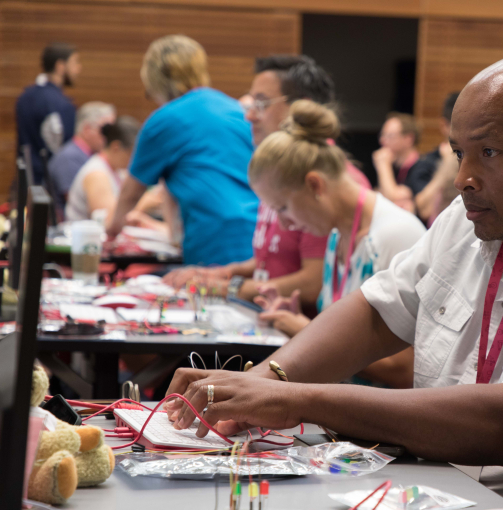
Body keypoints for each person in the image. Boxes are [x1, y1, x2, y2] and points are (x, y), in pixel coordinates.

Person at [164, 55, 503, 510]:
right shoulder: (480, 216)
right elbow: (377, 313)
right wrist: (266, 380)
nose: (463, 177)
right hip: (445, 496)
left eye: (488, 153)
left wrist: (296, 400)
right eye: (458, 153)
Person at [163, 55, 370, 311]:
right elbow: (272, 260)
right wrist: (221, 274)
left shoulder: (325, 181)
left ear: (300, 107)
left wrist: (229, 288)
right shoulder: (279, 171)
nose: (249, 115)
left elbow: (314, 283)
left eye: (261, 103)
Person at [251, 100, 425, 387]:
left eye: (283, 208)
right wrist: (303, 323)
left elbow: (407, 369)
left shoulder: (396, 234)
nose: (284, 225)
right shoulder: (337, 235)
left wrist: (307, 333)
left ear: (315, 185)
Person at [107, 35, 258, 266]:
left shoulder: (164, 120)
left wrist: (110, 232)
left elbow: (130, 193)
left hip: (215, 240)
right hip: (257, 236)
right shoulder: (234, 109)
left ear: (155, 81)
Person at [15, 42, 82, 186]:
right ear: (60, 66)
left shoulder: (25, 96)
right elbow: (64, 151)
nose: (78, 69)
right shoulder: (62, 104)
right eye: (75, 62)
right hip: (49, 185)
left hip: (24, 181)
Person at [65, 116, 140, 223]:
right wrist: (145, 203)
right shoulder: (96, 174)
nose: (133, 161)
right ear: (116, 147)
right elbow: (107, 220)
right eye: (131, 154)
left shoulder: (117, 170)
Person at [48, 102, 116, 214]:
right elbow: (81, 202)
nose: (112, 137)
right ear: (87, 129)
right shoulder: (69, 158)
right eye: (107, 131)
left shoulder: (87, 156)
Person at [414, 92, 461, 223]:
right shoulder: (427, 162)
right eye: (458, 124)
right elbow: (424, 209)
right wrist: (448, 164)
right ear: (443, 125)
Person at [373, 113, 431, 210]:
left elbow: (393, 199)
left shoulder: (423, 167)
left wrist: (383, 165)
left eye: (390, 136)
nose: (382, 140)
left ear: (408, 139)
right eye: (382, 135)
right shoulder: (394, 165)